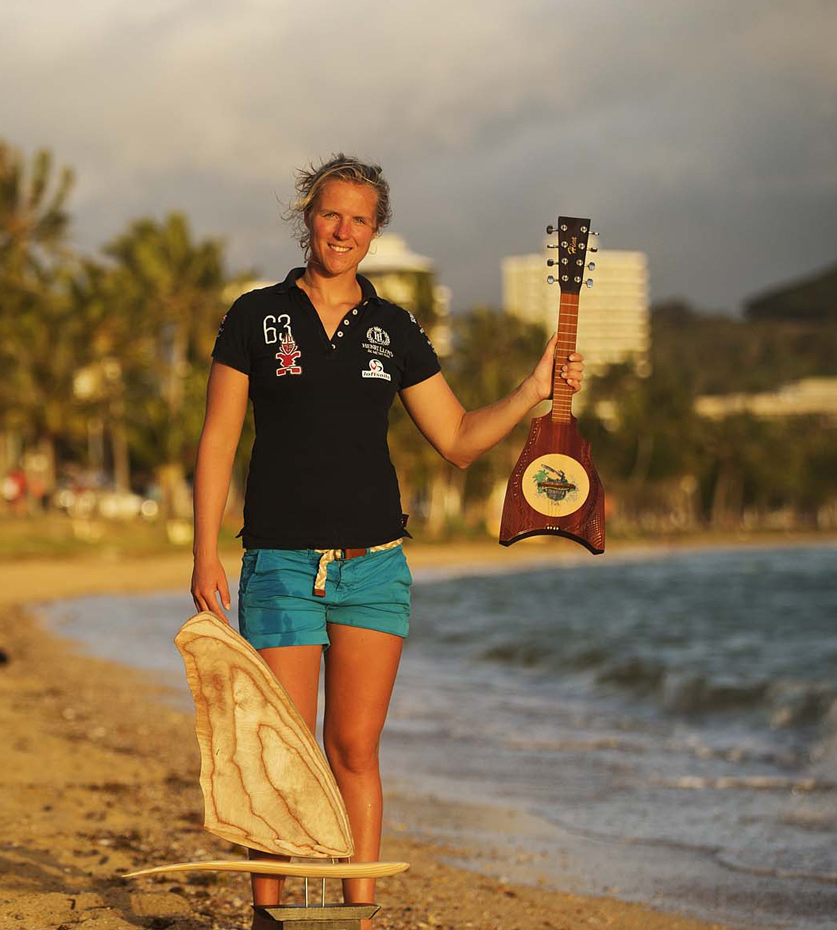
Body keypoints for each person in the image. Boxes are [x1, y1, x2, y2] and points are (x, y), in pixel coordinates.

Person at [190, 154, 583, 929]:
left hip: (374, 569)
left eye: (359, 220)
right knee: (279, 752)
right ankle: (269, 920)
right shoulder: (254, 316)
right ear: (308, 217)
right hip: (278, 563)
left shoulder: (392, 327)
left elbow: (460, 440)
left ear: (375, 232)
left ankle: (355, 919)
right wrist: (205, 552)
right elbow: (217, 440)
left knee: (353, 753)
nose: (342, 230)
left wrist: (534, 390)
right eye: (331, 214)